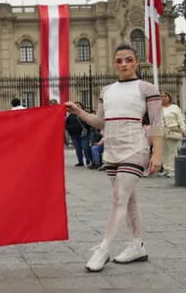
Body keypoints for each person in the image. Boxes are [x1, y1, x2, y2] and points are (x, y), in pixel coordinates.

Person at [64, 43, 163, 273]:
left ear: (136, 61)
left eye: (129, 59)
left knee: (119, 198)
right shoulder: (106, 91)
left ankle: (104, 248)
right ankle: (137, 245)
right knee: (128, 200)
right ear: (114, 63)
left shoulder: (147, 88)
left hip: (135, 148)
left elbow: (157, 125)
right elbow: (101, 123)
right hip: (112, 150)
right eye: (119, 60)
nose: (124, 64)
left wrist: (156, 154)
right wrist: (79, 112)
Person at [160, 92, 186, 178]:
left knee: (172, 151)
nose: (163, 98)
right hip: (161, 131)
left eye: (165, 96)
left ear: (169, 97)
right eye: (161, 97)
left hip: (172, 130)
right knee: (163, 151)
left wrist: (183, 129)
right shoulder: (158, 108)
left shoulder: (175, 107)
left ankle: (172, 170)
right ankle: (166, 169)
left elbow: (180, 119)